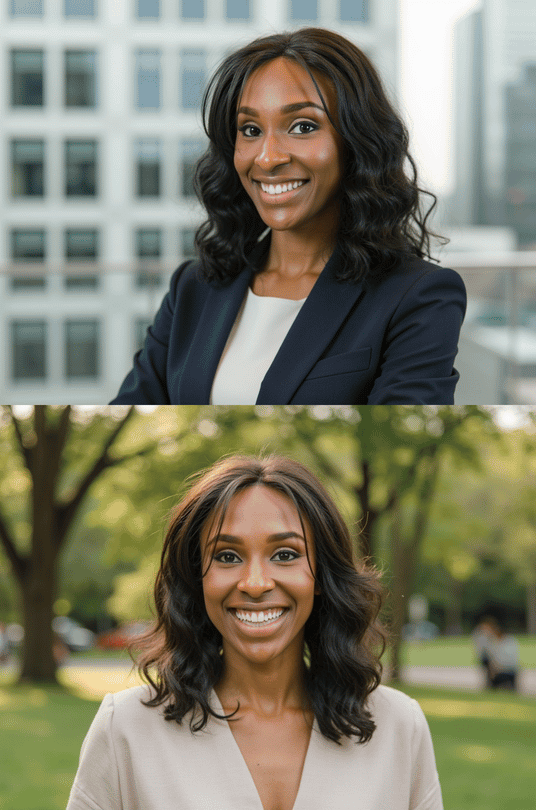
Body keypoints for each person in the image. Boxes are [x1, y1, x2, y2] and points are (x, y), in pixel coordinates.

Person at [66, 455, 442, 810]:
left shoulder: (399, 727)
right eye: (227, 556)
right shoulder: (125, 728)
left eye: (285, 555)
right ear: (197, 579)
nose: (256, 583)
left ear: (321, 576)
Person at [112, 28, 465, 405]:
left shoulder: (420, 297)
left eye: (303, 127)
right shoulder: (193, 286)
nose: (267, 158)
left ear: (357, 141)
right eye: (250, 130)